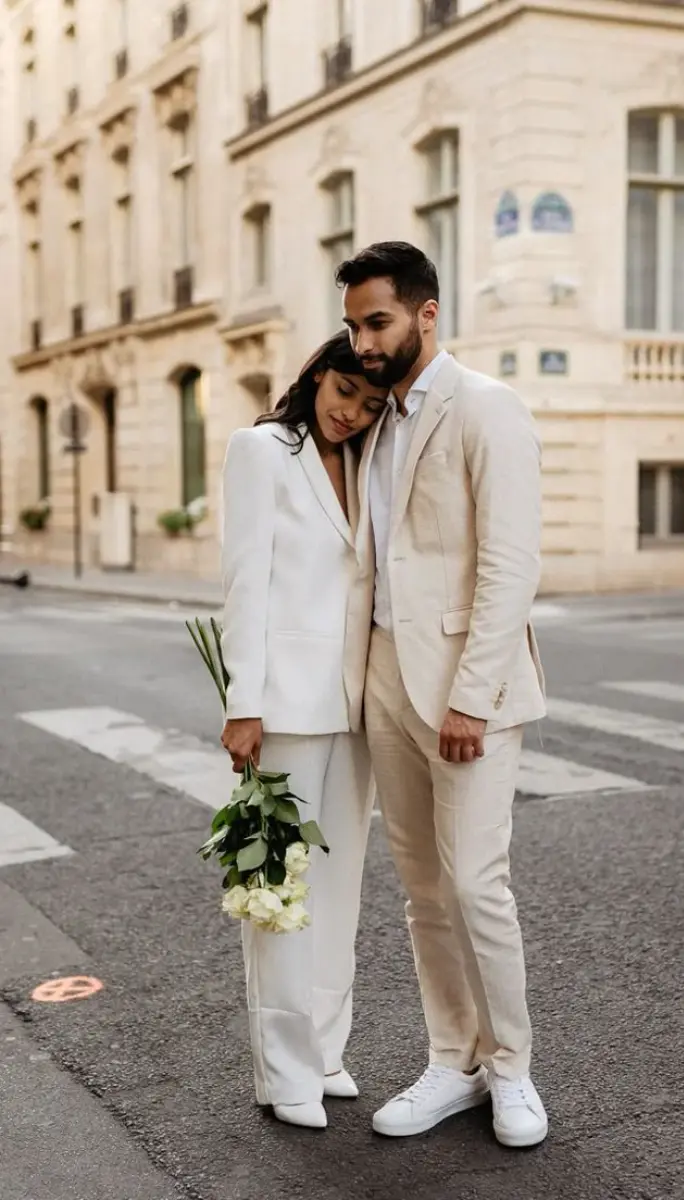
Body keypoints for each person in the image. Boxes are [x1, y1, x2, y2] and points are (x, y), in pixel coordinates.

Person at [337, 242, 549, 1149]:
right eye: (352, 324)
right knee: (422, 891)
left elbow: (510, 565)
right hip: (383, 673)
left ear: (426, 314)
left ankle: (512, 1071)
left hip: (465, 685)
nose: (363, 339)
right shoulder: (373, 418)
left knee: (477, 886)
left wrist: (473, 696)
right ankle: (450, 1061)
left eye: (377, 320)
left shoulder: (487, 408)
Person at [219, 330, 388, 1130]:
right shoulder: (261, 451)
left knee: (340, 887)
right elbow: (245, 583)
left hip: (355, 709)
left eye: (369, 403)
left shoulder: (363, 463)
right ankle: (283, 1073)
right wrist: (242, 704)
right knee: (278, 893)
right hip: (282, 707)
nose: (351, 413)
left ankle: (324, 1050)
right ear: (318, 374)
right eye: (344, 392)